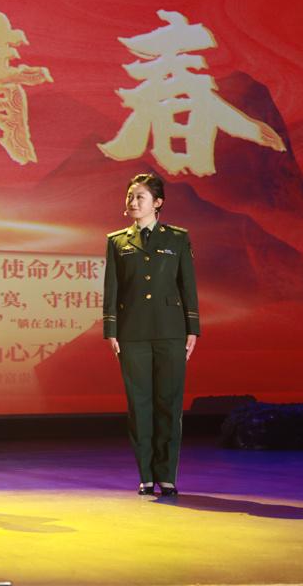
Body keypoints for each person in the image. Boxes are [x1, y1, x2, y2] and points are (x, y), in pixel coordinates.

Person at [103, 172, 199, 498]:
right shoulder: (117, 241)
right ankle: (145, 475)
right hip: (132, 334)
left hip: (171, 331)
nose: (133, 202)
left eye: (140, 197)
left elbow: (187, 285)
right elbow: (112, 288)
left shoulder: (177, 238)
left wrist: (192, 328)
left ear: (157, 203)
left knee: (169, 403)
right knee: (139, 405)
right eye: (130, 196)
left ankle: (167, 475)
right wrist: (111, 329)